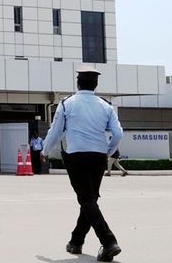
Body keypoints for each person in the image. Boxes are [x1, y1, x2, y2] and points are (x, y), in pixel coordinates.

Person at [41, 65, 124, 262]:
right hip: (98, 157)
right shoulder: (106, 105)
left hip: (76, 156)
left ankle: (109, 242)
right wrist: (107, 152)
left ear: (78, 83)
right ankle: (76, 241)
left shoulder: (67, 103)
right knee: (90, 199)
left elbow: (55, 131)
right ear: (95, 84)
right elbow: (118, 134)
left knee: (86, 200)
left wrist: (44, 151)